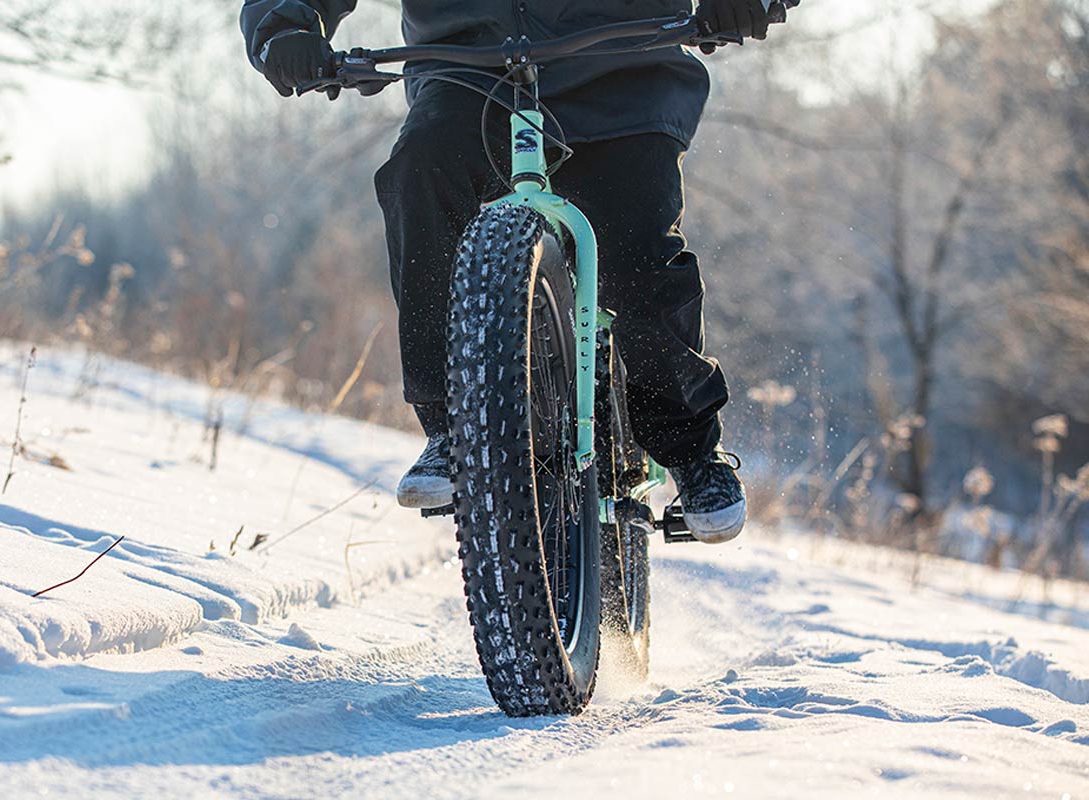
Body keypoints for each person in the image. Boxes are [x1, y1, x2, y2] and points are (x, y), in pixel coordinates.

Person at [240, 0, 768, 544]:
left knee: (635, 254)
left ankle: (691, 446)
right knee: (419, 176)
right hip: (469, 75)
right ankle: (455, 427)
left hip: (622, 69)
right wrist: (285, 28)